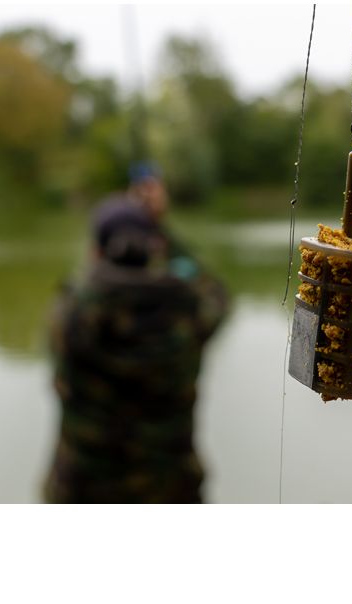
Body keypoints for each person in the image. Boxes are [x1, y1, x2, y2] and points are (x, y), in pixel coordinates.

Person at [43, 164, 229, 503]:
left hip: (82, 493)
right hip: (170, 492)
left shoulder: (71, 317)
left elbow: (85, 283)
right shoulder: (187, 312)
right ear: (154, 249)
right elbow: (217, 293)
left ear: (97, 250)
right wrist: (158, 223)